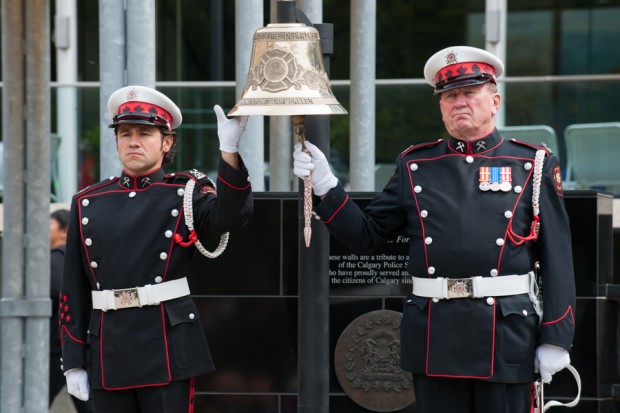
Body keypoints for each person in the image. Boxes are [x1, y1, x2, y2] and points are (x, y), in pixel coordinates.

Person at [293, 46, 576, 413]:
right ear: (441, 106)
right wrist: (326, 185)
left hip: (506, 335)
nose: (460, 102)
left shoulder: (532, 162)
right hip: (435, 334)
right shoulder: (416, 165)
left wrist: (556, 338)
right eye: (450, 96)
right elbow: (367, 236)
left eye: (470, 93)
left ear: (494, 101)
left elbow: (558, 258)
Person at [59, 85, 253, 412]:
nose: (133, 141)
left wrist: (228, 151)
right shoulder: (87, 200)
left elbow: (233, 215)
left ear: (167, 142)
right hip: (108, 348)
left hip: (166, 345)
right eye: (125, 133)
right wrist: (73, 360)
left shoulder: (185, 193)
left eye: (145, 133)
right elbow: (73, 289)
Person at [50, 209, 94, 412]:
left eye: (50, 225)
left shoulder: (53, 263)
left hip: (54, 349)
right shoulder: (86, 262)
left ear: (65, 231)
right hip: (79, 346)